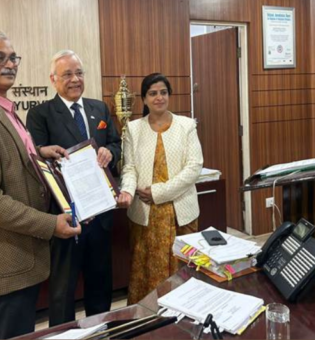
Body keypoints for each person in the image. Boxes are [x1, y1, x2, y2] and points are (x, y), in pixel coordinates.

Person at [0, 31, 81, 339]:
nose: (9, 64)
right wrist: (50, 224)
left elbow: (10, 162)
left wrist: (38, 154)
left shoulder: (4, 110)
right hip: (6, 260)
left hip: (22, 254)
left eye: (12, 58)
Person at [26, 50, 132, 326]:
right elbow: (33, 158)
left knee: (100, 285)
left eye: (79, 73)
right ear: (53, 79)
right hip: (66, 217)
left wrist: (110, 151)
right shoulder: (40, 114)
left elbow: (116, 143)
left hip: (101, 214)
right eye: (67, 74)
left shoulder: (100, 108)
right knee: (63, 290)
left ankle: (100, 331)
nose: (75, 79)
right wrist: (44, 152)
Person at [118, 73, 204, 304]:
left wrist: (158, 192)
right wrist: (126, 190)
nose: (159, 98)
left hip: (181, 212)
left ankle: (186, 316)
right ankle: (148, 320)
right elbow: (129, 168)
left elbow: (194, 167)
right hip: (145, 214)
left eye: (163, 92)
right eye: (153, 93)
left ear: (169, 95)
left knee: (183, 268)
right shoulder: (134, 129)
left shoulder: (186, 125)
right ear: (144, 99)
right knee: (145, 271)